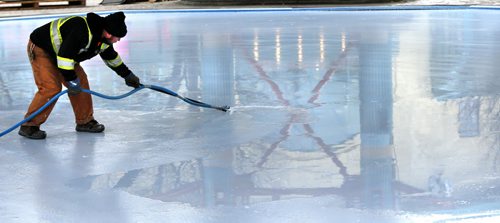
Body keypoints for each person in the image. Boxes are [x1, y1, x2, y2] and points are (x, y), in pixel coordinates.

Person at [18, 11, 141, 139]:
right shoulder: (81, 30)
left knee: (81, 83)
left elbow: (111, 58)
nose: (118, 40)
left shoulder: (103, 39)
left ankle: (85, 121)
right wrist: (70, 79)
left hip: (65, 54)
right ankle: (29, 126)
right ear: (109, 33)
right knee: (51, 88)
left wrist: (128, 75)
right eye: (118, 37)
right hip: (42, 48)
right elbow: (64, 58)